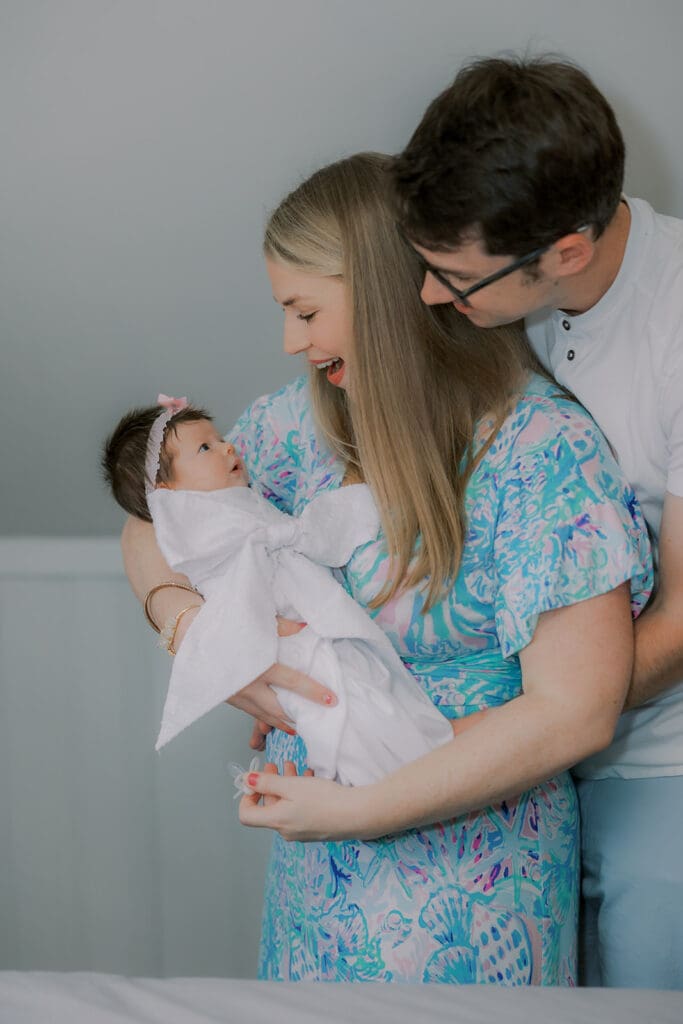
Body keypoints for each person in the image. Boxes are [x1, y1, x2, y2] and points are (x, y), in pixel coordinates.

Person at [123, 152, 651, 984]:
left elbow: (574, 711)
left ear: (376, 293)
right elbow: (154, 515)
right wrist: (188, 626)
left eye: (304, 311)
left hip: (479, 870)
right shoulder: (296, 427)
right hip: (318, 870)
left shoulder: (540, 451)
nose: (289, 341)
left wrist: (363, 809)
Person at [389, 56, 683, 989]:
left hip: (659, 765)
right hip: (521, 749)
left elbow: (681, 616)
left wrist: (491, 720)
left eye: (456, 279)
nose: (432, 299)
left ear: (564, 251)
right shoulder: (491, 294)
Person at [103, 396, 453, 782]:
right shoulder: (200, 525)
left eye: (218, 439)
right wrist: (199, 635)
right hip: (281, 640)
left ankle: (422, 755)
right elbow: (141, 526)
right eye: (207, 447)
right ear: (168, 492)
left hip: (309, 625)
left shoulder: (235, 500)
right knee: (337, 705)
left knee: (371, 689)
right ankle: (377, 781)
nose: (228, 446)